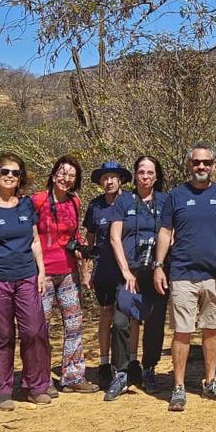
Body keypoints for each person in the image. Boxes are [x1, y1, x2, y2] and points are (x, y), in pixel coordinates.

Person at [151, 145, 216, 412]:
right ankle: (178, 387)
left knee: (212, 330)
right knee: (182, 331)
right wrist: (159, 265)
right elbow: (165, 231)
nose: (201, 167)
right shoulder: (176, 196)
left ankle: (210, 382)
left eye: (207, 163)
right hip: (183, 274)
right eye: (197, 162)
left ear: (213, 165)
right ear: (189, 165)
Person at [0, 154, 51, 411]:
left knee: (35, 330)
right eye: (5, 171)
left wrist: (41, 271)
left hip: (27, 276)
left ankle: (35, 386)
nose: (10, 176)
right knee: (1, 334)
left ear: (20, 178)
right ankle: (2, 389)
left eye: (15, 173)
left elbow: (35, 241)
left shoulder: (26, 206)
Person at [30, 156, 99, 394]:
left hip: (68, 271)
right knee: (41, 326)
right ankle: (41, 379)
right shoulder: (37, 201)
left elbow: (75, 236)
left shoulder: (74, 202)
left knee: (74, 324)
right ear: (53, 174)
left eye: (71, 175)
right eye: (62, 173)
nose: (66, 179)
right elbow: (29, 236)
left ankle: (72, 375)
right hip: (43, 274)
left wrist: (83, 258)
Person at [110, 156, 169, 393]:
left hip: (156, 272)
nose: (145, 176)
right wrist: (126, 272)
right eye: (141, 172)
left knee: (154, 323)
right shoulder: (124, 200)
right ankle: (121, 373)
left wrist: (159, 265)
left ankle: (149, 369)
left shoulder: (165, 201)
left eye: (150, 172)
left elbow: (170, 233)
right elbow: (115, 237)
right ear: (135, 175)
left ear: (156, 176)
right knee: (120, 321)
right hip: (129, 273)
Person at [82, 160, 135, 399]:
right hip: (103, 268)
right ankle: (104, 363)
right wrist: (86, 269)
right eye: (105, 178)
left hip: (129, 270)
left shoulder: (131, 202)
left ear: (121, 180)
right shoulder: (95, 207)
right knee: (106, 313)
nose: (109, 181)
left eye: (113, 177)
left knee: (128, 316)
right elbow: (89, 241)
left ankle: (131, 361)